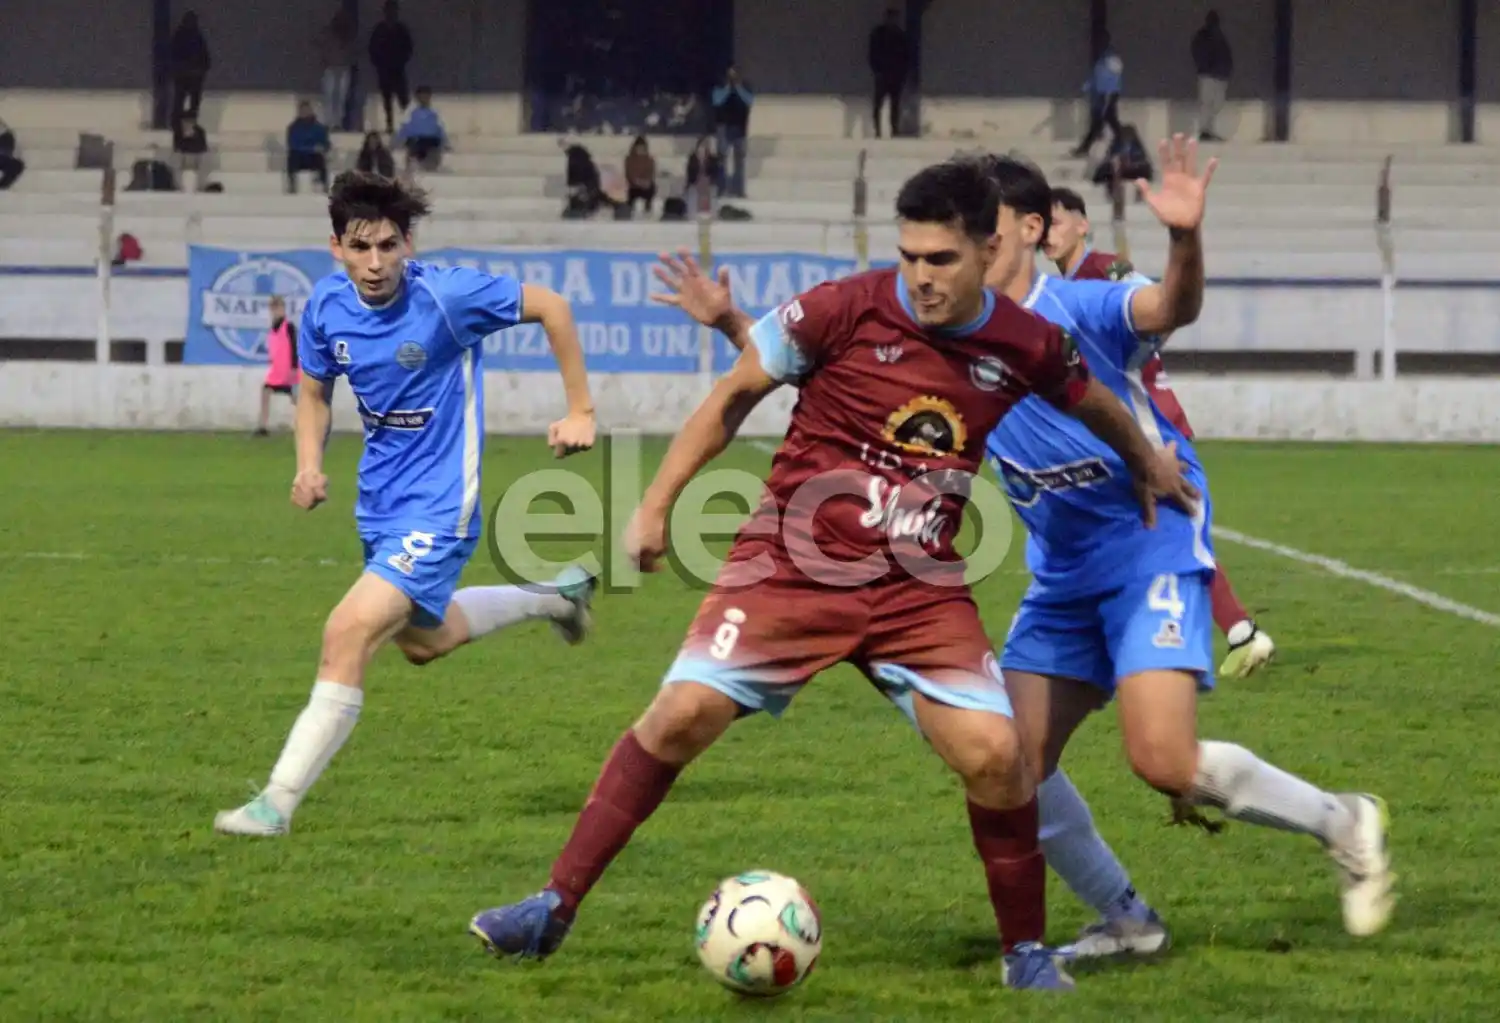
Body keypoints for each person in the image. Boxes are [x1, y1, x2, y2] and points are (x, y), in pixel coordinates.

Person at [467, 157, 1200, 991]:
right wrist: (657, 503)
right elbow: (734, 394)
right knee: (678, 717)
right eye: (909, 257)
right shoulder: (842, 307)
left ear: (988, 246)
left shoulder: (1024, 341)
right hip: (791, 567)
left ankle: (1024, 952)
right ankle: (550, 909)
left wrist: (1143, 457)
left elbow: (1091, 395)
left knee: (998, 755)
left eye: (941, 260)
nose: (920, 277)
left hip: (919, 587)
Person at [977, 138, 1394, 948]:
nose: (972, 245)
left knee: (1163, 760)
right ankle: (1128, 922)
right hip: (1061, 576)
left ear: (1032, 227)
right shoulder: (960, 333)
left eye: (986, 227)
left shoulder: (1086, 305)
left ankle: (1344, 820)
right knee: (1009, 766)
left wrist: (1185, 238)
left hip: (1146, 544)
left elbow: (1169, 308)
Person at [214, 171, 600, 837]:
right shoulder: (327, 308)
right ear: (335, 247)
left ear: (407, 244)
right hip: (382, 503)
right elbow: (312, 392)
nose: (375, 263)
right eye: (360, 247)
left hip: (443, 504)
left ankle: (275, 802)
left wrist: (579, 410)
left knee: (347, 630)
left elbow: (553, 307)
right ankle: (555, 598)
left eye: (388, 246)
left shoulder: (448, 297)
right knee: (426, 641)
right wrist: (308, 464)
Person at [1045, 185, 1276, 679]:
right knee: (1157, 530)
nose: (1048, 232)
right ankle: (1226, 632)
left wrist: (1130, 359)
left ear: (1083, 224)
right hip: (1118, 423)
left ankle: (1234, 634)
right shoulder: (1059, 291)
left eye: (1058, 220)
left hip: (1145, 419)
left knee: (1167, 529)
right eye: (1042, 224)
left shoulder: (1106, 271)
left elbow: (1163, 313)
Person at [256, 296, 300, 436]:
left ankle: (308, 426)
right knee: (265, 392)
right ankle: (263, 426)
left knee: (297, 399)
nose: (276, 311)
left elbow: (294, 347)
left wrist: (294, 367)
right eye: (273, 309)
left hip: (288, 371)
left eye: (278, 308)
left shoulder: (289, 326)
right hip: (277, 371)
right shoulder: (273, 328)